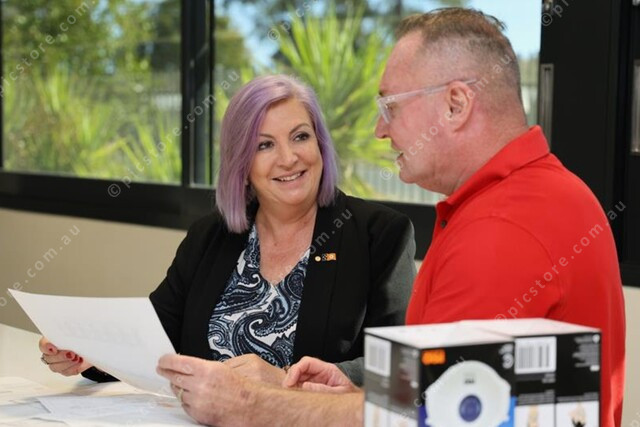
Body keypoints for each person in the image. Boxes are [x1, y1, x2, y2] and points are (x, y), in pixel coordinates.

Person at [157, 8, 625, 427]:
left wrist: (253, 403)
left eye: (391, 107)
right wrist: (353, 387)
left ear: (456, 105)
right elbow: (431, 397)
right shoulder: (536, 196)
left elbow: (425, 411)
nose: (380, 129)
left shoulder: (503, 230)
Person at [38, 75, 416, 387]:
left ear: (320, 143)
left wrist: (284, 380)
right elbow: (154, 336)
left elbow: (400, 368)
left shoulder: (380, 235)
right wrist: (89, 352)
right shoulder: (209, 236)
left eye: (300, 136)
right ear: (241, 163)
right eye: (264, 145)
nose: (288, 158)